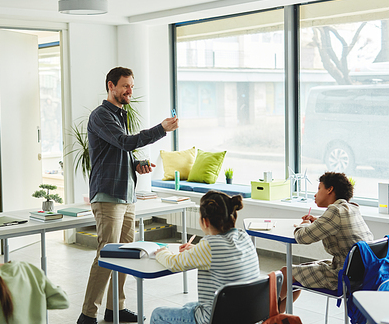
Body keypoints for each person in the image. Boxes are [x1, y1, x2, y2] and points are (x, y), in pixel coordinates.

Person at [77, 67, 179, 324]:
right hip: (108, 195)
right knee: (106, 253)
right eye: (125, 86)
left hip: (126, 194)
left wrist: (135, 164)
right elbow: (124, 142)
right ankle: (88, 315)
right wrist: (161, 129)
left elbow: (118, 151)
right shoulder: (101, 115)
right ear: (110, 86)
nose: (130, 91)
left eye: (132, 86)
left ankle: (115, 310)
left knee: (124, 254)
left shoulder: (120, 115)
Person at [150, 190, 260, 324]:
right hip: (246, 315)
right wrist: (196, 250)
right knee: (189, 306)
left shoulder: (209, 245)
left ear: (205, 221)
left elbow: (174, 263)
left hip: (216, 319)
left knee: (158, 314)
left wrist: (162, 252)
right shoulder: (243, 236)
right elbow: (221, 252)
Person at [279, 172, 373, 313]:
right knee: (293, 276)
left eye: (318, 189)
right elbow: (339, 226)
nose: (315, 195)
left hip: (341, 276)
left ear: (330, 189)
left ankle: (267, 314)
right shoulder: (352, 208)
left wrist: (304, 224)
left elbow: (302, 238)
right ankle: (274, 317)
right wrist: (318, 221)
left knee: (285, 273)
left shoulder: (334, 211)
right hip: (360, 275)